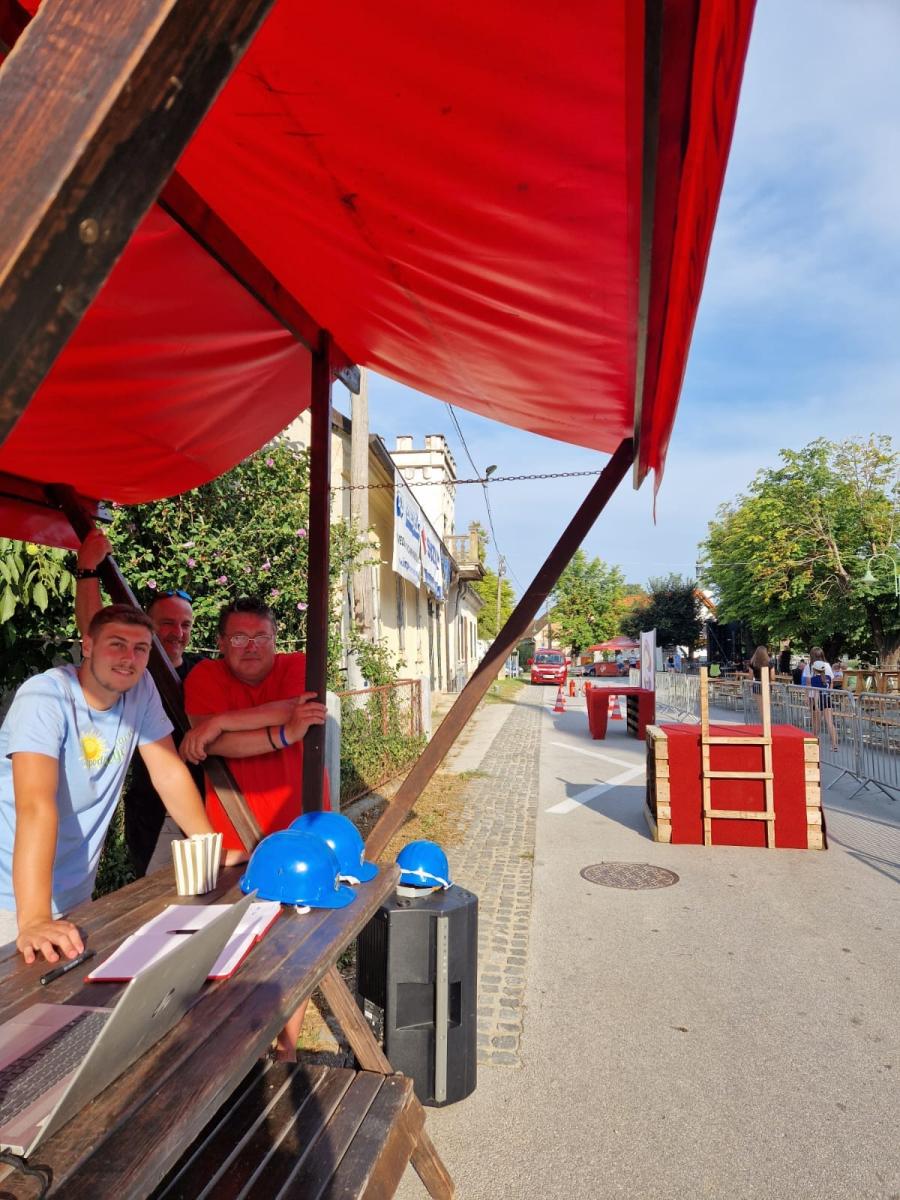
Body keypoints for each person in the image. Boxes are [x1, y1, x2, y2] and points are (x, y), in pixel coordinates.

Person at [0, 605, 215, 963]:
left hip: (75, 890)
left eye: (140, 648)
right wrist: (35, 918)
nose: (129, 658)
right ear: (87, 646)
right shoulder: (44, 696)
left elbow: (168, 773)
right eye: (116, 644)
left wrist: (208, 844)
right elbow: (35, 805)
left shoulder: (141, 687)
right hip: (11, 896)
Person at [181, 597, 328, 1060]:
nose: (251, 646)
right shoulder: (204, 676)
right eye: (239, 637)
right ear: (221, 642)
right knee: (230, 946)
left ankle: (286, 1053)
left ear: (275, 639)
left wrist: (222, 722)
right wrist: (282, 732)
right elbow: (216, 747)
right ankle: (235, 1050)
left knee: (298, 943)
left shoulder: (298, 664)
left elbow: (297, 707)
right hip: (233, 835)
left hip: (300, 824)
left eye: (261, 636)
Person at [74, 530, 205, 876]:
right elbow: (96, 637)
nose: (178, 632)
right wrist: (87, 571)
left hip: (207, 805)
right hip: (152, 813)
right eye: (167, 623)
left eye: (185, 624)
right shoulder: (133, 676)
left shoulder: (205, 671)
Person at [808, 658, 838, 752]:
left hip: (819, 701)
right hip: (827, 700)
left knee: (816, 724)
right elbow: (830, 688)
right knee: (830, 723)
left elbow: (816, 692)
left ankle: (813, 743)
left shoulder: (814, 679)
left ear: (814, 669)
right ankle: (834, 745)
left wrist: (816, 705)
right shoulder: (828, 677)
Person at [746, 645, 775, 720]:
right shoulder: (770, 663)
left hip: (757, 685)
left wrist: (750, 684)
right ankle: (767, 723)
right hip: (767, 685)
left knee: (761, 708)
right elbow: (772, 677)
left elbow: (750, 676)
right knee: (767, 706)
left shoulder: (753, 663)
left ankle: (763, 723)